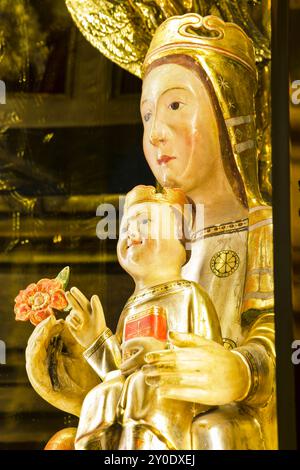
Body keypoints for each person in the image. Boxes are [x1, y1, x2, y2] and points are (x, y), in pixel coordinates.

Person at [25, 14, 276, 450]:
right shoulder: (160, 234)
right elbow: (129, 359)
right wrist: (78, 351)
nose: (155, 132)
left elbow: (278, 335)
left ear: (228, 109)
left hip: (218, 422)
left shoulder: (262, 229)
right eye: (146, 114)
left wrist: (239, 372)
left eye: (176, 105)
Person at [69, 185, 223, 450]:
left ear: (180, 239)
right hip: (133, 393)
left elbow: (207, 357)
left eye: (145, 222)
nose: (132, 233)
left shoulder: (188, 295)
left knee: (142, 384)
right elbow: (118, 368)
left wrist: (160, 355)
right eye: (126, 227)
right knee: (101, 394)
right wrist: (94, 338)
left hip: (171, 392)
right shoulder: (132, 307)